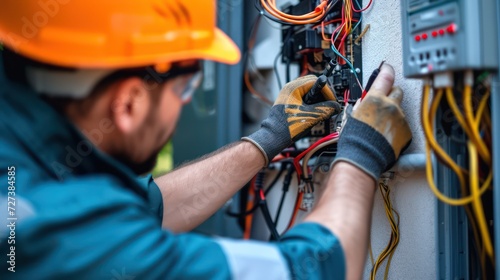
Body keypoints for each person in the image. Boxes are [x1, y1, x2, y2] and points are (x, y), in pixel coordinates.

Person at [0, 1, 412, 279]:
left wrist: (268, 140)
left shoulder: (26, 163)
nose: (184, 105)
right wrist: (360, 153)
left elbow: (150, 207)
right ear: (127, 104)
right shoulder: (58, 234)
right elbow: (316, 267)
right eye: (185, 89)